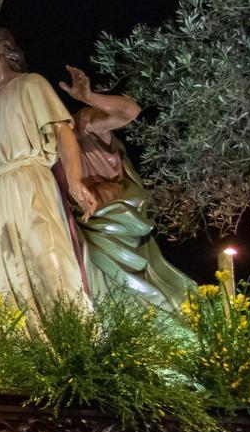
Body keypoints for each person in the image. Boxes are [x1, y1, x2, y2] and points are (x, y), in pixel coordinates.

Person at [0, 27, 97, 322]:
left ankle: (78, 339)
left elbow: (63, 131)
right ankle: (23, 354)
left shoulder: (31, 84)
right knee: (9, 274)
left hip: (33, 182)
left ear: (2, 47)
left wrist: (75, 182)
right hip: (2, 197)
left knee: (50, 261)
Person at [57, 64, 196, 314]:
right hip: (86, 231)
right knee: (104, 297)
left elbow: (130, 111)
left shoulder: (79, 127)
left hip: (119, 222)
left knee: (148, 289)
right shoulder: (38, 158)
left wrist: (90, 98)